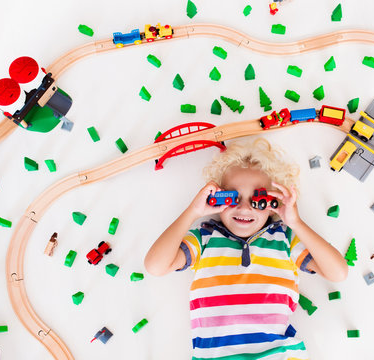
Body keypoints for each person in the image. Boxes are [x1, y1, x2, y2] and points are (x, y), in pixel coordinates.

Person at [145, 138, 348, 359]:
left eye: (258, 200)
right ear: (218, 198)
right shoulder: (205, 239)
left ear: (272, 203)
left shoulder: (284, 240)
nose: (244, 208)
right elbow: (155, 266)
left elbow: (337, 272)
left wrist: (295, 223)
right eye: (233, 198)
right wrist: (193, 212)